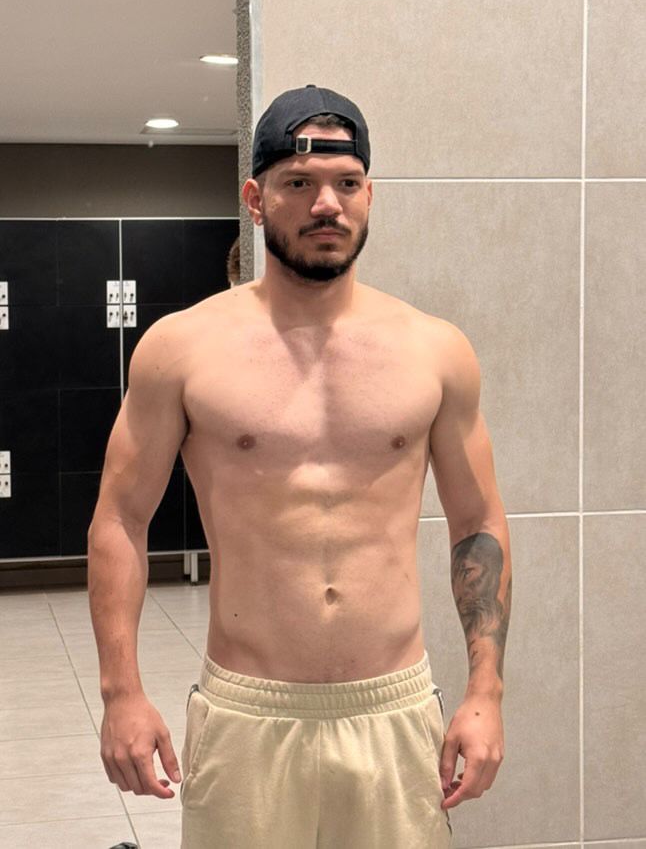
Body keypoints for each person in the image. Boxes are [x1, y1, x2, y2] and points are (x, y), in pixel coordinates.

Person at [88, 84, 512, 849]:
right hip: (249, 715)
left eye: (347, 183)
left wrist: (486, 691)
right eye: (299, 183)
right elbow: (120, 519)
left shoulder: (435, 351)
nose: (326, 205)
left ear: (369, 195)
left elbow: (477, 522)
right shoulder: (181, 350)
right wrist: (122, 693)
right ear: (256, 199)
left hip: (392, 710)